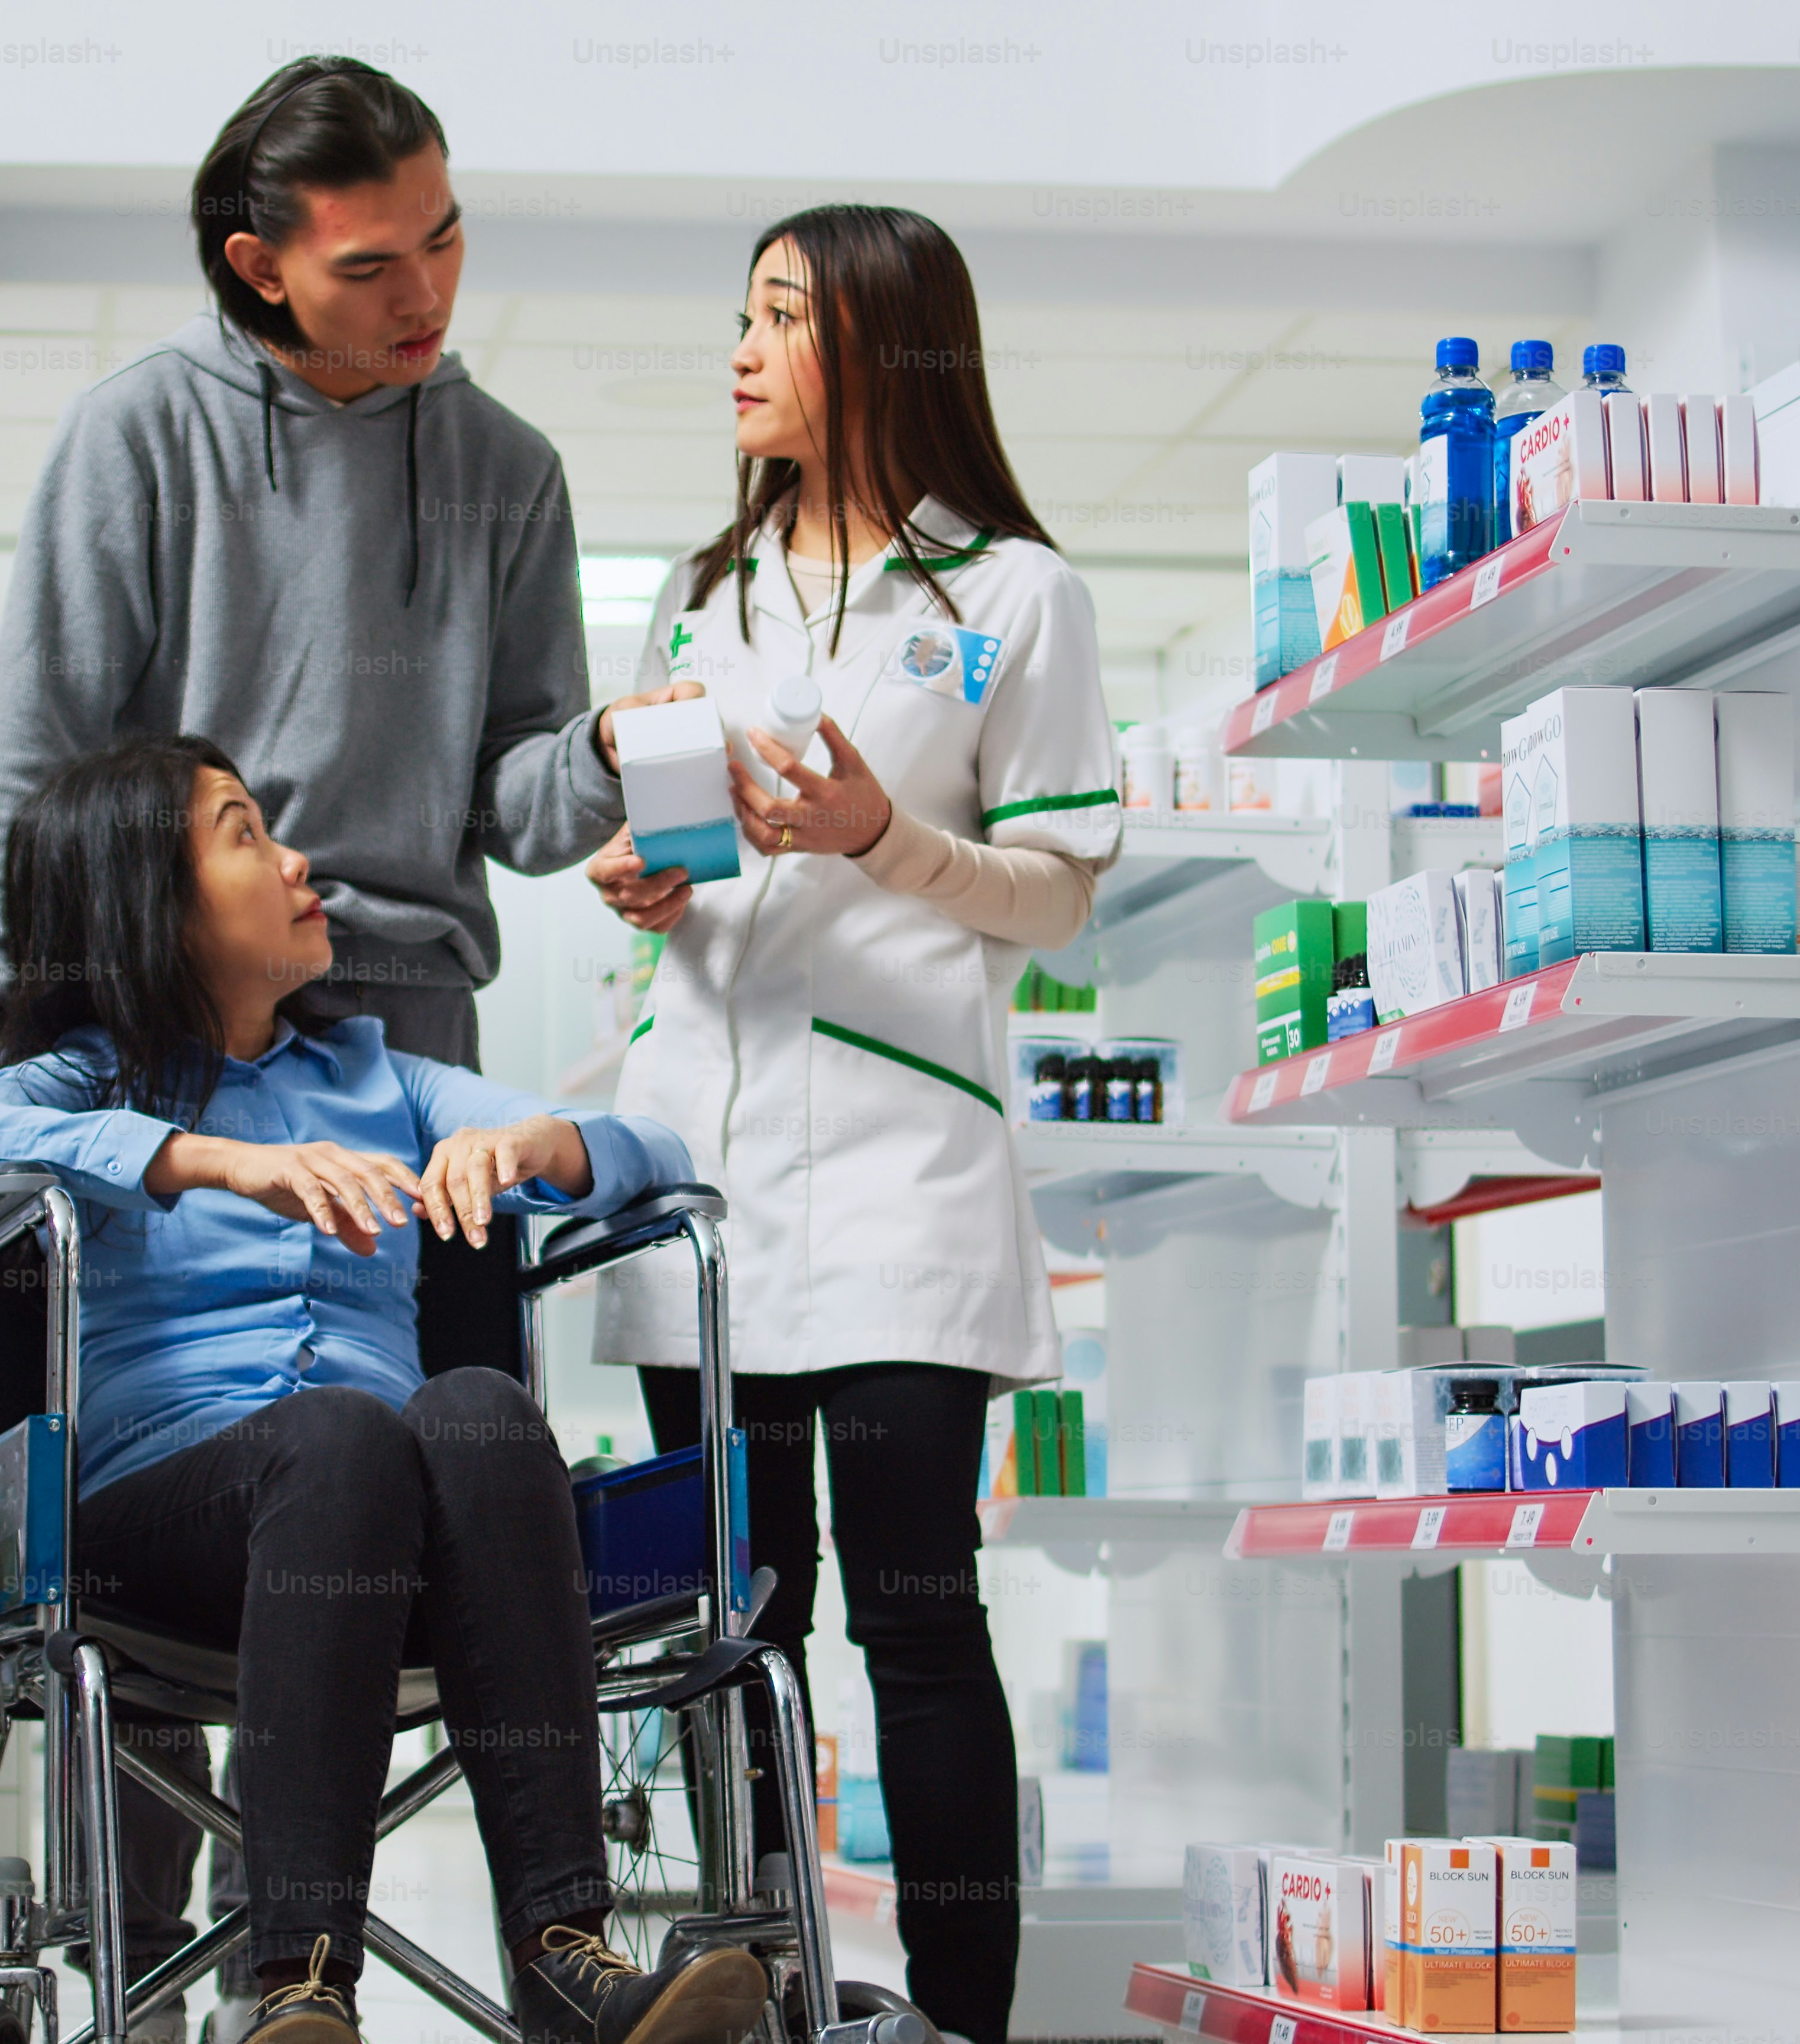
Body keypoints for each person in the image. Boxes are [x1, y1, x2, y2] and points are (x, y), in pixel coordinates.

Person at [0, 53, 692, 2001]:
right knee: (217, 1458)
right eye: (367, 267)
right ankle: (166, 1952)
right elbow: (30, 765)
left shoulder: (506, 471)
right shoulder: (138, 441)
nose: (426, 296)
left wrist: (615, 774)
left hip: (403, 1018)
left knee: (442, 1440)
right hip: (158, 1003)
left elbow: (517, 794)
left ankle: (528, 1949)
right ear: (256, 266)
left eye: (445, 241)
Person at [0, 735, 765, 2044]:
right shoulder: (91, 1079)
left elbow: (662, 1152)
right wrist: (196, 1160)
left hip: (390, 1542)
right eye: (244, 833)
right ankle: (301, 1985)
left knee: (479, 1410)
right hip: (158, 1537)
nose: (300, 863)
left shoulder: (382, 1079)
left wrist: (545, 1142)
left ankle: (569, 1958)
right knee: (345, 1435)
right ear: (152, 898)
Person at [584, 205, 1120, 2044]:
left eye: (778, 316)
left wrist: (880, 839)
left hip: (900, 1173)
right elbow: (682, 842)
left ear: (880, 348)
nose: (737, 348)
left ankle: (958, 2020)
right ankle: (766, 1989)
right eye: (736, 312)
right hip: (700, 1172)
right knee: (730, 1627)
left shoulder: (1015, 597)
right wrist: (645, 882)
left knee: (914, 1616)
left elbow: (1053, 894)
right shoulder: (695, 594)